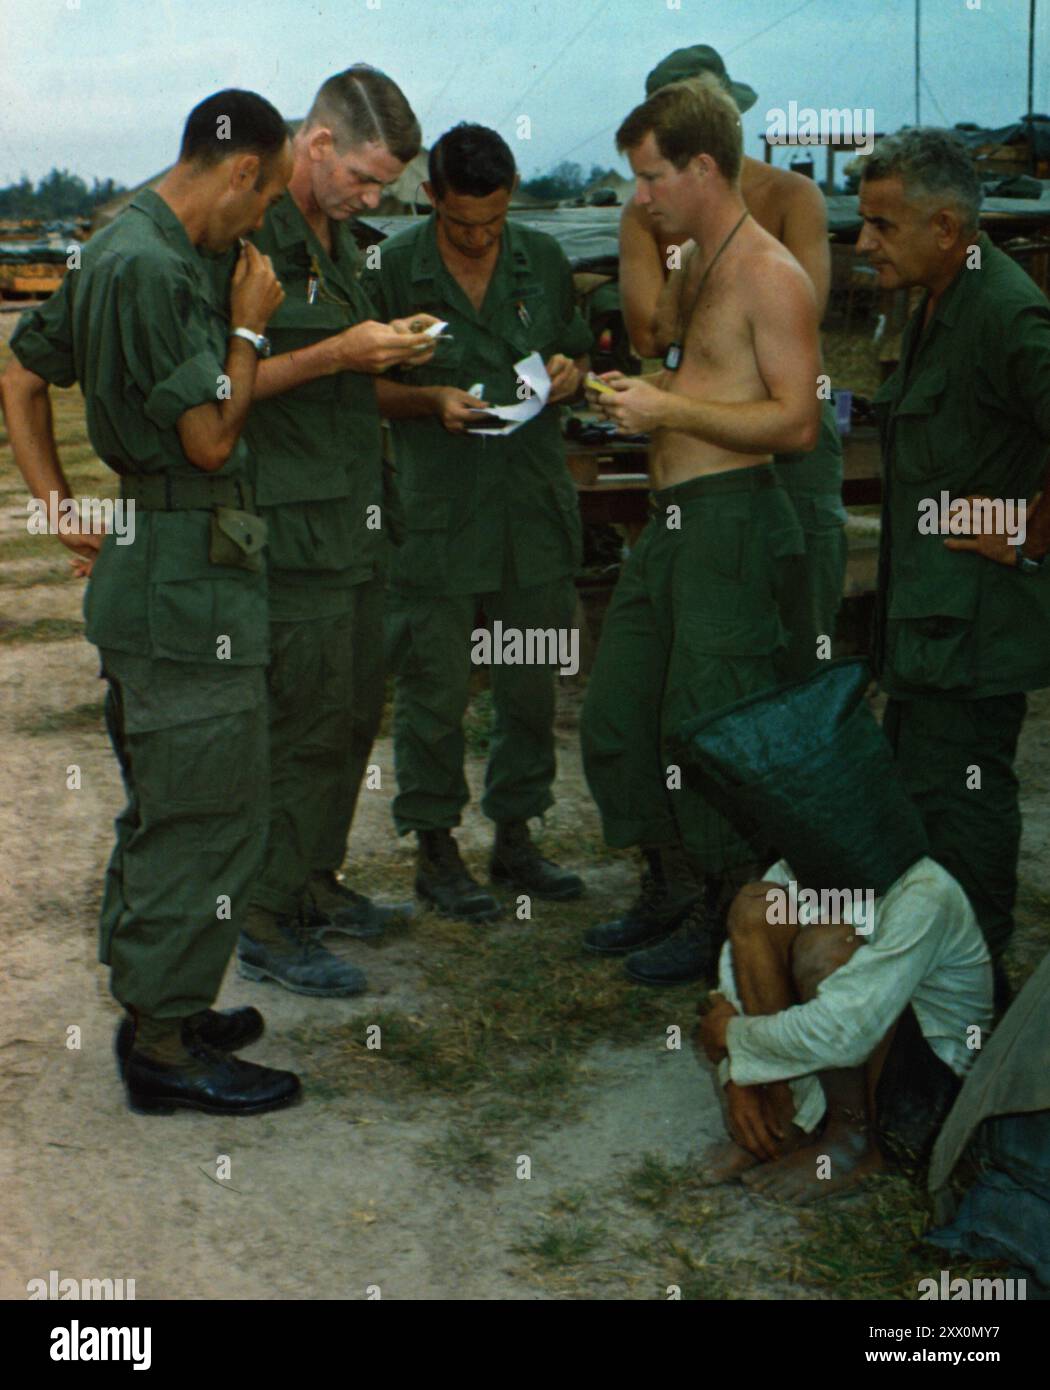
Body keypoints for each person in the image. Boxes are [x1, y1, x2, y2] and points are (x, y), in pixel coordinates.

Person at [0, 91, 300, 1115]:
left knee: (176, 801)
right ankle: (165, 1046)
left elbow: (20, 370)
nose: (257, 231)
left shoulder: (115, 241)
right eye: (261, 205)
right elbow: (212, 440)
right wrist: (250, 331)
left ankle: (162, 1001)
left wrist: (55, 505)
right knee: (203, 812)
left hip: (167, 564)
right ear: (242, 170)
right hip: (183, 579)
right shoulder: (150, 266)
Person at [592, 45, 847, 983]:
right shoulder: (699, 258)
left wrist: (672, 412)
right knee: (623, 711)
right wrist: (646, 391)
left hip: (733, 523)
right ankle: (670, 884)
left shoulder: (770, 273)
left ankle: (730, 912)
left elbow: (796, 420)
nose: (642, 195)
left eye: (653, 176)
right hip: (674, 525)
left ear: (702, 167)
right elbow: (688, 366)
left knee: (712, 726)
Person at [230, 66, 438, 998]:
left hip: (357, 520)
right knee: (301, 721)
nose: (372, 198)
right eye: (362, 179)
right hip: (292, 531)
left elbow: (340, 375)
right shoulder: (246, 237)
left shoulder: (342, 240)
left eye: (384, 188)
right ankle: (265, 919)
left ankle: (314, 881)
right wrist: (340, 353)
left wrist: (390, 355)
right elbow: (217, 391)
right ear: (316, 145)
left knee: (352, 712)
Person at [368, 123, 592, 920]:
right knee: (433, 689)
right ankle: (434, 847)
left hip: (530, 512)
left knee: (530, 686)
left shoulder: (543, 259)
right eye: (462, 223)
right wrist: (427, 400)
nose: (478, 238)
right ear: (429, 197)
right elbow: (355, 386)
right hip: (436, 516)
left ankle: (518, 837)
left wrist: (570, 375)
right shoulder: (392, 268)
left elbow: (574, 353)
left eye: (493, 220)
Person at [859, 128, 1050, 1005]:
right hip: (929, 622)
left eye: (882, 227)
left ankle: (979, 1008)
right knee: (923, 808)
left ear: (945, 226)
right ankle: (933, 995)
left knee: (965, 813)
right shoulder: (936, 297)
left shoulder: (1004, 310)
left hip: (973, 632)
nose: (865, 243)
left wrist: (1026, 529)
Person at [697, 855, 992, 1204]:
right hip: (841, 1042)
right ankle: (785, 1122)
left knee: (825, 949)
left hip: (924, 1078)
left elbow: (844, 1035)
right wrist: (739, 1080)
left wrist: (732, 1036)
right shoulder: (802, 859)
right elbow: (730, 992)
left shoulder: (926, 890)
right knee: (755, 906)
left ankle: (853, 1141)